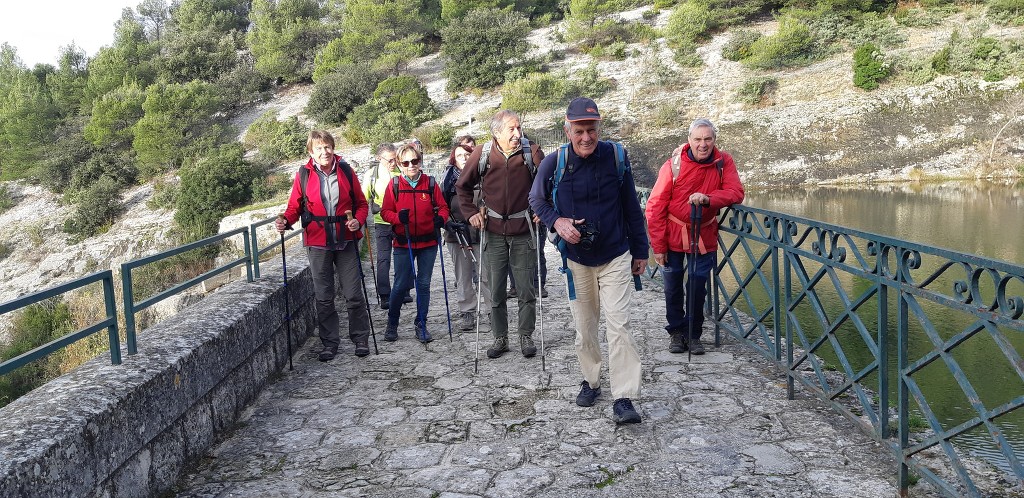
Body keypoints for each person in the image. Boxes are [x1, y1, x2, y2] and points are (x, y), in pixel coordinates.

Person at [529, 97, 649, 424]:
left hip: (615, 254)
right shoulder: (554, 163)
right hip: (577, 260)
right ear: (567, 130)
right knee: (584, 328)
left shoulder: (616, 157)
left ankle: (624, 397)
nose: (586, 137)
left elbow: (631, 208)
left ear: (599, 128)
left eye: (591, 130)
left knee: (619, 325)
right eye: (579, 130)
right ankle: (591, 379)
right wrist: (558, 221)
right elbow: (536, 199)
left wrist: (641, 250)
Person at [644, 118, 745, 355]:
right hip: (673, 235)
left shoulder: (724, 161)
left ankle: (694, 333)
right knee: (672, 287)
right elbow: (655, 206)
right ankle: (677, 334)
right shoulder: (673, 165)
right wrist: (658, 246)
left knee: (699, 286)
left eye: (708, 139)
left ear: (714, 140)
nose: (703, 144)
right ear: (689, 140)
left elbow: (736, 192)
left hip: (704, 233)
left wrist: (709, 198)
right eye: (698, 139)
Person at [456, 110, 545, 359]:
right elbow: (462, 186)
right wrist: (471, 213)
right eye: (512, 129)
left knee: (526, 289)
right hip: (492, 231)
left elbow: (552, 183)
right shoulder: (482, 154)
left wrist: (544, 210)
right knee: (495, 289)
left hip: (523, 230)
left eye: (519, 128)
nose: (518, 134)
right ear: (497, 132)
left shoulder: (532, 152)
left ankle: (525, 336)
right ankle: (500, 337)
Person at [276, 130, 371, 361]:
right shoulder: (304, 175)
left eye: (327, 146)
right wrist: (285, 221)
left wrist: (357, 220)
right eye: (319, 148)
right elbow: (294, 207)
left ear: (333, 148)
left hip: (346, 239)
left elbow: (361, 203)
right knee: (324, 296)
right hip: (317, 241)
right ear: (311, 152)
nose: (324, 151)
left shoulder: (346, 171)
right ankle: (329, 343)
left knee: (354, 294)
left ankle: (360, 338)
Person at [380, 143, 450, 343]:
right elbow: (385, 211)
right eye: (406, 162)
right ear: (400, 165)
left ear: (420, 161)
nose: (411, 165)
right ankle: (392, 322)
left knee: (424, 284)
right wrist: (397, 218)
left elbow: (443, 207)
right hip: (404, 243)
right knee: (401, 284)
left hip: (428, 243)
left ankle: (421, 323)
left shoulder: (430, 183)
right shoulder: (394, 185)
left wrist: (441, 219)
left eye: (415, 161)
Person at [441, 142, 491, 331]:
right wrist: (447, 222)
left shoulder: (483, 176)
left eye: (467, 155)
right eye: (459, 155)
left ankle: (491, 310)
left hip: (482, 231)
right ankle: (467, 311)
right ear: (453, 158)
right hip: (457, 234)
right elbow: (441, 206)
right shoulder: (447, 180)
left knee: (486, 274)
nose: (464, 158)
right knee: (463, 276)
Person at [362, 143, 413, 309]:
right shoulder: (371, 175)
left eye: (395, 159)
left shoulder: (402, 171)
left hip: (400, 222)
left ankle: (405, 290)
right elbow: (363, 199)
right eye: (390, 160)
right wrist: (369, 210)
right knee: (383, 259)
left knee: (405, 255)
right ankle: (385, 295)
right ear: (379, 159)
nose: (393, 163)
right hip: (381, 223)